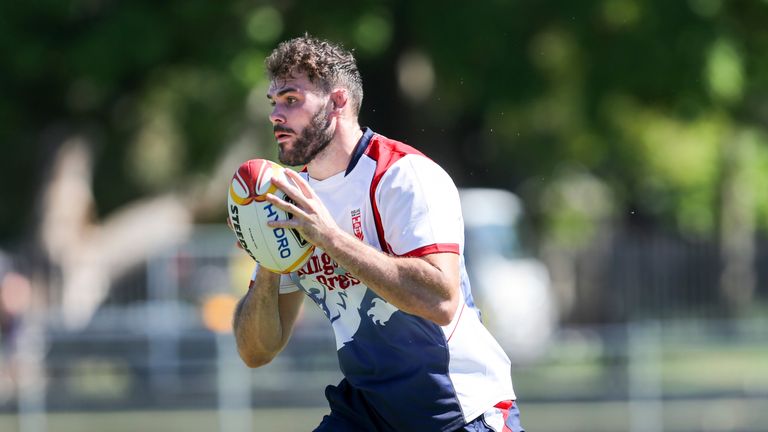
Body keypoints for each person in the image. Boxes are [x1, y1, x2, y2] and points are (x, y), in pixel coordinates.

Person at [232, 35, 525, 432]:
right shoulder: (287, 197)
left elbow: (440, 299)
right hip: (368, 411)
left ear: (337, 102)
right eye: (273, 103)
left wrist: (329, 237)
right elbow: (256, 351)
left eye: (291, 99)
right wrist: (268, 261)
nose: (275, 115)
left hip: (457, 409)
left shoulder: (404, 176)